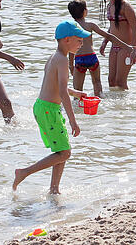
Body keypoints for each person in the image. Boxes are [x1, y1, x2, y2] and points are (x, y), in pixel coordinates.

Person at [12, 20, 89, 194]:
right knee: (65, 153)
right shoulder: (62, 60)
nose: (81, 43)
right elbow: (61, 91)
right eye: (79, 40)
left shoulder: (54, 57)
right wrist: (73, 120)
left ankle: (54, 189)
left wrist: (75, 93)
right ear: (67, 39)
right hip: (48, 110)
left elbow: (56, 86)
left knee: (61, 150)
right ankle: (24, 172)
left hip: (43, 107)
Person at [68, 0, 136, 98]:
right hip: (92, 57)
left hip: (79, 59)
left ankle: (78, 108)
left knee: (77, 90)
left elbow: (70, 48)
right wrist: (127, 47)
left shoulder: (71, 27)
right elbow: (109, 36)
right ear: (85, 11)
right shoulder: (90, 25)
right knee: (97, 83)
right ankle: (99, 101)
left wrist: (70, 65)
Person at [99, 0, 136, 90]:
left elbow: (135, 28)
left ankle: (126, 105)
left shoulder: (126, 6)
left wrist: (134, 49)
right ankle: (116, 107)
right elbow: (112, 27)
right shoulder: (110, 5)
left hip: (126, 48)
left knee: (120, 82)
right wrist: (104, 42)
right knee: (111, 80)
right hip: (114, 46)